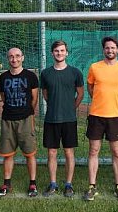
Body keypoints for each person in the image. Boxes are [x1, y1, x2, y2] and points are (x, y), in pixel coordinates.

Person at [83, 36, 118, 201]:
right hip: (96, 116)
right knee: (93, 151)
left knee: (116, 152)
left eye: (113, 48)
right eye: (107, 48)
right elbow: (90, 87)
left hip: (115, 117)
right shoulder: (94, 67)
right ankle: (91, 186)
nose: (110, 50)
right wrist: (100, 100)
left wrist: (115, 103)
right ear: (103, 50)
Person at [41, 40, 84, 197]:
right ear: (52, 53)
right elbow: (45, 93)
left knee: (68, 152)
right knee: (51, 152)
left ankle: (68, 184)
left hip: (69, 119)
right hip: (51, 119)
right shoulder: (45, 73)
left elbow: (80, 94)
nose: (59, 53)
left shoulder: (75, 73)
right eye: (56, 51)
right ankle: (53, 184)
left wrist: (70, 108)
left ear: (67, 53)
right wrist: (54, 104)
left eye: (62, 51)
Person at [0, 48, 39, 197]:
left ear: (23, 57)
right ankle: (6, 183)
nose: (14, 59)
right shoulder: (3, 77)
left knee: (29, 153)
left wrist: (27, 112)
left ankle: (32, 183)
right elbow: (3, 97)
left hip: (26, 119)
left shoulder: (30, 76)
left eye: (17, 56)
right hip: (7, 120)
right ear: (8, 59)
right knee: (8, 154)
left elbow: (34, 98)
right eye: (11, 57)